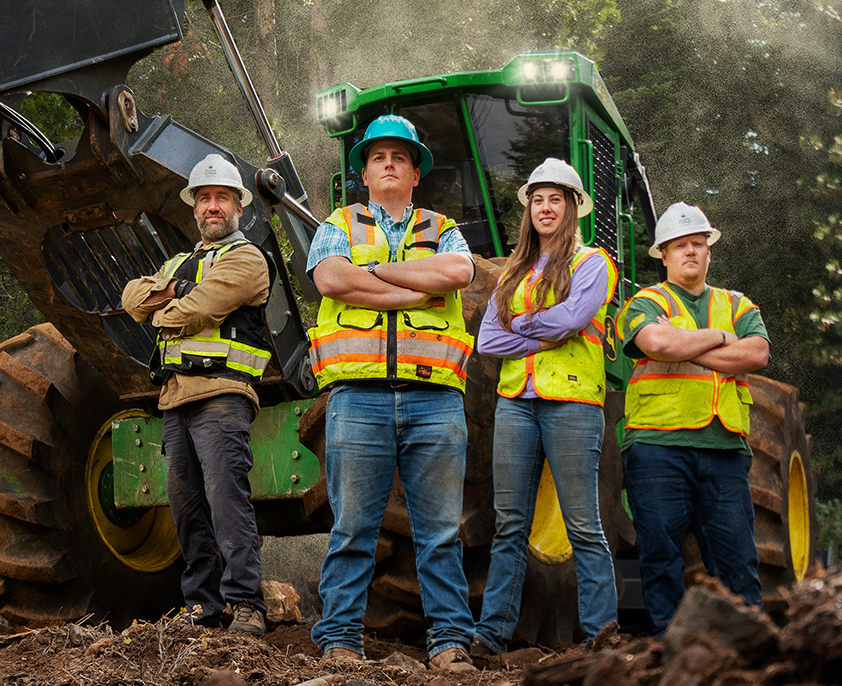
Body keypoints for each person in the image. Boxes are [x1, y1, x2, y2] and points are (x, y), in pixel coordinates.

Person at [305, 114, 479, 672]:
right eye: (378, 157)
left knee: (441, 533)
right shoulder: (337, 222)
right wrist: (408, 287)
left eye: (399, 157)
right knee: (353, 527)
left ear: (415, 173)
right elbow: (332, 280)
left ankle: (450, 644)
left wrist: (374, 274)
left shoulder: (444, 227)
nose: (388, 164)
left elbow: (456, 271)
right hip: (358, 399)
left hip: (435, 400)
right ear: (363, 171)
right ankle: (339, 641)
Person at [120, 153, 274, 635]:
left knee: (226, 500)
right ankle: (201, 609)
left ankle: (247, 605)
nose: (212, 206)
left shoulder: (248, 259)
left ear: (238, 208)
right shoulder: (178, 262)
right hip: (174, 398)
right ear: (194, 208)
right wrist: (178, 289)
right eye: (204, 198)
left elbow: (191, 310)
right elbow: (130, 297)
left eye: (221, 198)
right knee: (186, 510)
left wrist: (168, 302)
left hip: (222, 396)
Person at [471, 158, 620, 654]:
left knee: (584, 525)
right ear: (528, 209)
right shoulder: (512, 270)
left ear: (573, 207)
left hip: (572, 403)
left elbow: (575, 318)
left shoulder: (592, 263)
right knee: (509, 524)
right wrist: (543, 333)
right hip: (516, 403)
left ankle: (601, 636)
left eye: (556, 198)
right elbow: (490, 339)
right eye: (538, 199)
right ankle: (491, 636)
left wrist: (524, 328)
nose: (545, 207)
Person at [616, 201, 769, 635]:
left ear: (709, 250)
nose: (690, 251)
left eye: (698, 243)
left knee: (738, 557)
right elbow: (658, 343)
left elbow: (757, 352)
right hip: (657, 446)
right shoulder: (646, 301)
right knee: (660, 555)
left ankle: (749, 647)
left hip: (724, 449)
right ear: (663, 254)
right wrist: (722, 340)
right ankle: (669, 647)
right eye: (680, 245)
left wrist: (690, 343)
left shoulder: (737, 303)